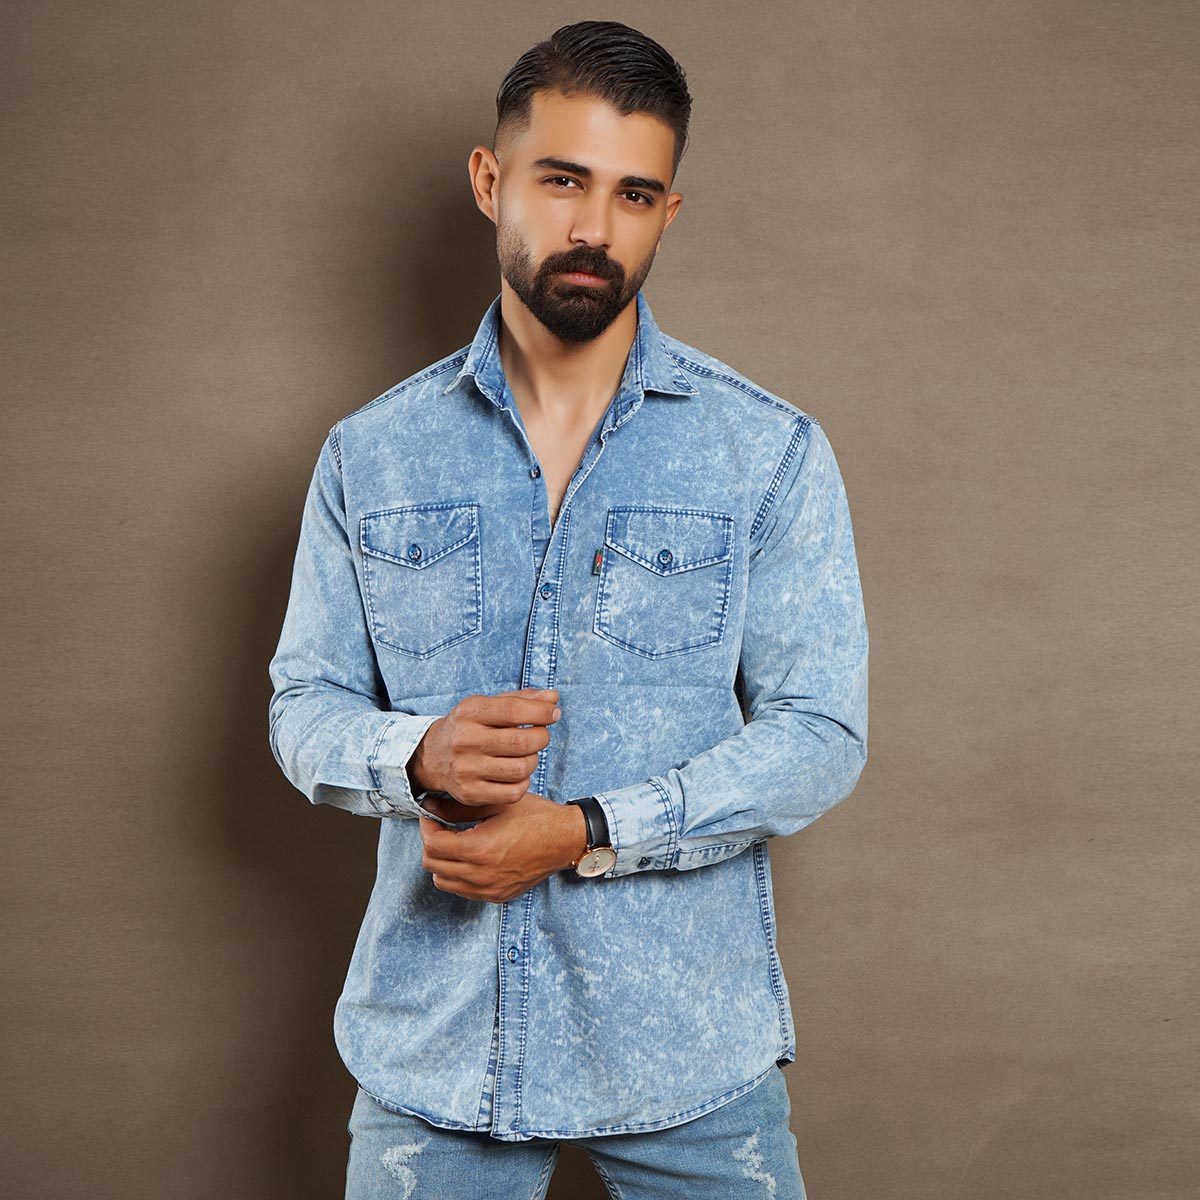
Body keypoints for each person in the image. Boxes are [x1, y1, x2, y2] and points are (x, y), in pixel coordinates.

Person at [267, 19, 868, 1199]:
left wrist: (590, 828)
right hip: (438, 1055)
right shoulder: (370, 456)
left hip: (688, 1050)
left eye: (633, 194)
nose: (595, 225)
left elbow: (820, 735)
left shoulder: (768, 453)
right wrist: (416, 756)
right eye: (562, 180)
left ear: (668, 213)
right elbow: (304, 705)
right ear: (491, 181)